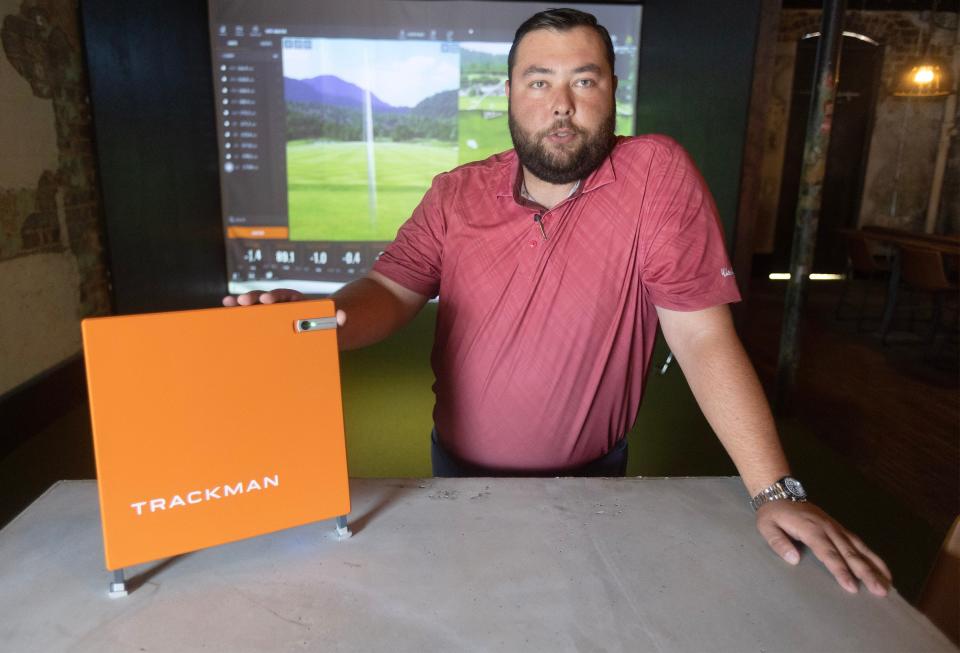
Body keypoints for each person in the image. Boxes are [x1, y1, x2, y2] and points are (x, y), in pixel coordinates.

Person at [224, 8, 891, 596]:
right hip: (457, 473)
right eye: (539, 81)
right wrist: (317, 321)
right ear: (510, 96)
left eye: (586, 80)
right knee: (471, 607)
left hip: (593, 480)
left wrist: (774, 490)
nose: (562, 103)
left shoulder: (655, 175)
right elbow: (388, 294)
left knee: (577, 611)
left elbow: (702, 337)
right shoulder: (454, 193)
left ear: (612, 93)